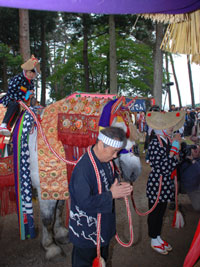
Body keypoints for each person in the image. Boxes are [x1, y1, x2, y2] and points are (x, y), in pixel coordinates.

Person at [69, 126, 133, 267]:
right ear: (101, 145)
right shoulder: (83, 170)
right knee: (85, 262)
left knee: (103, 258)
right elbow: (84, 202)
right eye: (114, 151)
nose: (116, 155)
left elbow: (111, 183)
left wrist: (120, 187)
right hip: (86, 232)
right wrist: (111, 194)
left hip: (102, 226)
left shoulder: (107, 162)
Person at [145, 110, 185, 255]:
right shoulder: (155, 142)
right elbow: (162, 167)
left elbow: (176, 162)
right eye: (168, 125)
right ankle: (153, 239)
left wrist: (175, 149)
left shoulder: (167, 140)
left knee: (161, 211)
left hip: (165, 183)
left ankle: (157, 237)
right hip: (157, 183)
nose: (171, 127)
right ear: (160, 127)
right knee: (155, 211)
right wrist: (173, 151)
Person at [0, 55, 40, 136]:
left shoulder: (31, 82)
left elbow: (30, 92)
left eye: (33, 74)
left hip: (25, 101)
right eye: (31, 73)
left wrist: (30, 95)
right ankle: (3, 125)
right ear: (27, 71)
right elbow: (12, 89)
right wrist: (21, 98)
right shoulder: (18, 78)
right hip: (12, 98)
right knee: (13, 105)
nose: (32, 75)